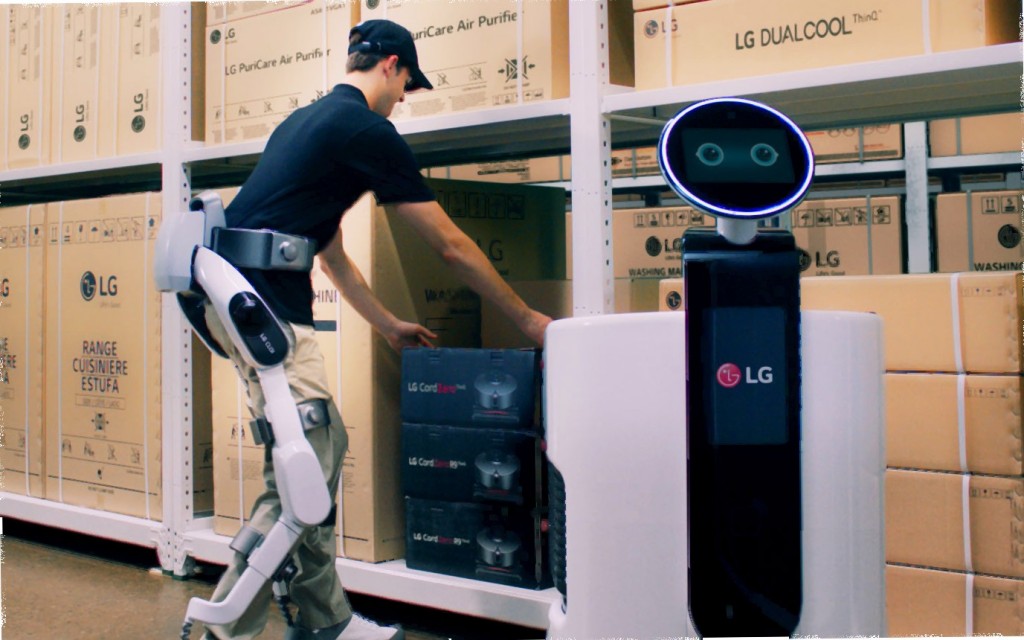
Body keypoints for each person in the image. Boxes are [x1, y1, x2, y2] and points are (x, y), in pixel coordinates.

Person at [200, 18, 552, 640]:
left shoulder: (307, 123)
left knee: (304, 460)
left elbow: (328, 249)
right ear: (391, 65)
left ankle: (323, 621)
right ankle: (225, 625)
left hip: (229, 297)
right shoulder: (368, 130)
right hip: (264, 303)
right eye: (407, 85)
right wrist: (528, 320)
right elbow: (448, 246)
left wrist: (387, 324)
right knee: (306, 472)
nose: (404, 100)